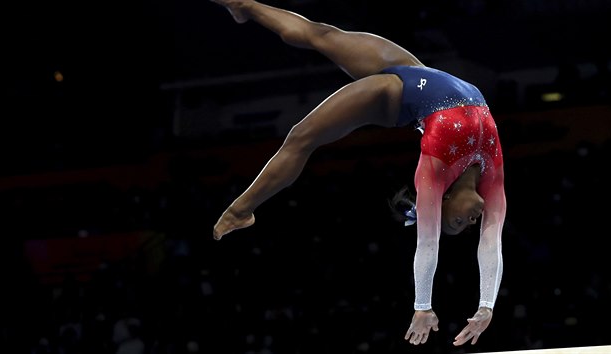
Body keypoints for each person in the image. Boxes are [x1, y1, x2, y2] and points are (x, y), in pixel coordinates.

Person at [210, 0, 507, 347]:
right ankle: (244, 5)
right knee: (321, 34)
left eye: (456, 224)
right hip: (420, 74)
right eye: (465, 225)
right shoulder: (492, 177)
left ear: (444, 199)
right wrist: (486, 307)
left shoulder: (433, 171)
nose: (471, 223)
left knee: (301, 136)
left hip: (395, 95)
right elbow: (491, 241)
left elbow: (427, 242)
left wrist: (422, 307)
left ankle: (242, 209)